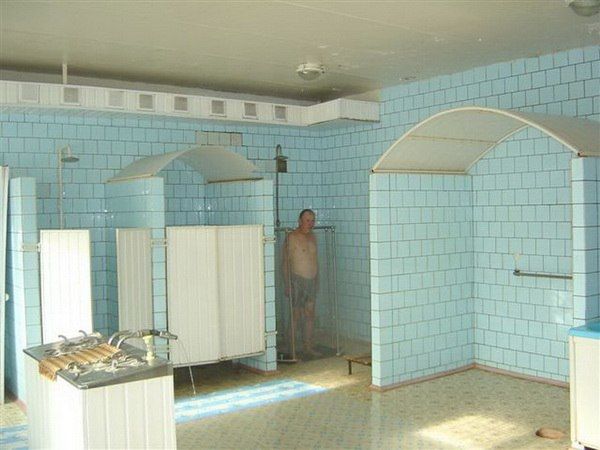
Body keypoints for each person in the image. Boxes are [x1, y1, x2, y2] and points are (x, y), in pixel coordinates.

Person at [282, 209, 321, 358]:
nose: (310, 224)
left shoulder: (313, 237)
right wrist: (287, 284)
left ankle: (307, 347)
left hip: (311, 280)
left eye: (312, 221)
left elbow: (315, 260)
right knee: (296, 315)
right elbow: (285, 262)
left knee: (310, 314)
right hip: (297, 280)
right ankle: (291, 349)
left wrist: (317, 279)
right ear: (300, 221)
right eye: (307, 220)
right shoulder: (292, 237)